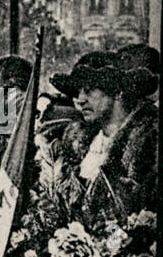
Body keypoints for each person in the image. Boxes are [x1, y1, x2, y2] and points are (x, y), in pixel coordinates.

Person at [49, 50, 157, 218]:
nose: (80, 99)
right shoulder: (78, 144)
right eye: (78, 91)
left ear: (115, 91)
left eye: (90, 89)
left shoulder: (148, 143)